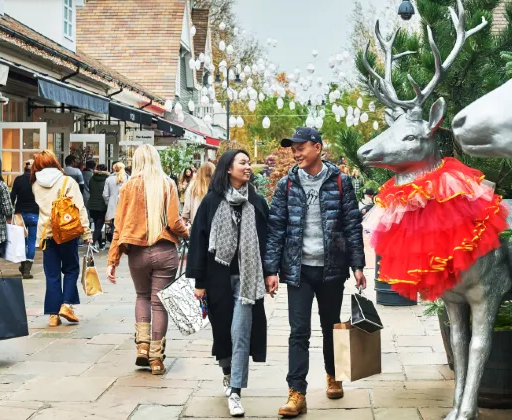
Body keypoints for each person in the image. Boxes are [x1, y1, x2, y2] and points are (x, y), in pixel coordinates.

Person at [265, 127, 366, 417]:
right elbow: (276, 229)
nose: (295, 152)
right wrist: (271, 269)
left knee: (331, 325)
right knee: (298, 332)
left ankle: (334, 376)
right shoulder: (286, 185)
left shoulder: (340, 182)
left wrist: (357, 265)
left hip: (332, 267)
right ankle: (296, 393)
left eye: (301, 147)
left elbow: (352, 226)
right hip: (298, 270)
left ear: (318, 148)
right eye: (292, 148)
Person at [186, 150, 269, 418]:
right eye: (242, 163)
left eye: (248, 163)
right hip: (217, 278)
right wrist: (199, 281)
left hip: (247, 279)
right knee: (222, 332)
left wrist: (270, 273)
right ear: (228, 169)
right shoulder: (212, 202)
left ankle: (235, 391)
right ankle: (226, 372)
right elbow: (198, 241)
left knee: (240, 332)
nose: (247, 167)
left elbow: (266, 241)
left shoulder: (256, 201)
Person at [105, 145, 187, 375]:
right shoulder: (167, 184)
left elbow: (119, 226)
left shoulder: (128, 186)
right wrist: (190, 234)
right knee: (159, 303)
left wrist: (113, 259)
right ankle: (157, 359)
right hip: (164, 251)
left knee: (142, 296)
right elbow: (174, 223)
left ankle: (142, 347)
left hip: (138, 253)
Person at [32, 150, 91, 327]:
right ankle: (66, 305)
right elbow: (79, 208)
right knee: (71, 269)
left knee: (52, 274)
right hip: (66, 232)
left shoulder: (35, 184)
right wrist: (87, 232)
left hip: (46, 234)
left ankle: (53, 315)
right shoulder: (67, 181)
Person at [11, 160, 39, 279]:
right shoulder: (37, 181)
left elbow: (12, 196)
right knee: (32, 241)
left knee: (22, 241)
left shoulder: (18, 180)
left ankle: (23, 266)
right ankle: (27, 269)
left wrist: (10, 211)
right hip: (34, 213)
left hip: (20, 214)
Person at [182, 161, 215, 227]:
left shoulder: (192, 186)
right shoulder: (217, 186)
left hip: (196, 225)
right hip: (214, 225)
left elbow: (186, 209)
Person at [103, 162, 128, 244]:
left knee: (114, 225)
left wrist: (109, 202)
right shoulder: (128, 178)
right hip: (125, 206)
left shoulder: (108, 179)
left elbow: (105, 195)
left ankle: (115, 243)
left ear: (114, 169)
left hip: (112, 206)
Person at [87, 163, 109, 250]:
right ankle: (92, 243)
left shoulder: (92, 179)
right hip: (102, 205)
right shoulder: (107, 179)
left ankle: (100, 244)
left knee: (97, 225)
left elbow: (90, 190)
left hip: (92, 205)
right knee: (99, 226)